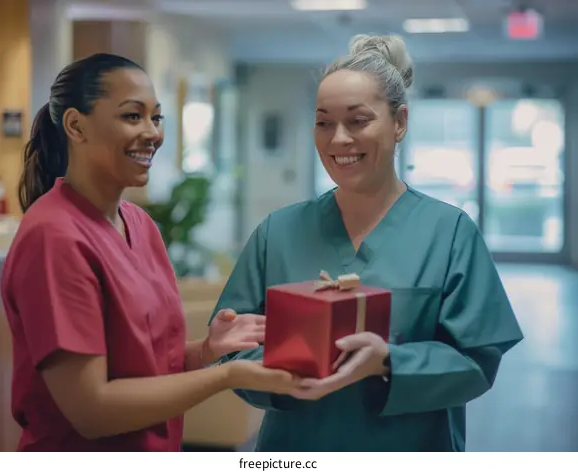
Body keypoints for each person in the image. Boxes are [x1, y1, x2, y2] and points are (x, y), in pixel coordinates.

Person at [208, 34, 524, 452]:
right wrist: (284, 375)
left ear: (400, 122)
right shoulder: (277, 232)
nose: (338, 139)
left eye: (358, 120)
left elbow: (477, 360)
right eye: (323, 122)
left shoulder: (449, 232)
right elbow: (231, 349)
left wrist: (390, 362)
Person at [0, 53, 301, 452]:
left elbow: (148, 367)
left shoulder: (139, 225)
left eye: (156, 118)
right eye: (131, 116)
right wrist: (229, 376)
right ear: (75, 125)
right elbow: (92, 410)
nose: (152, 133)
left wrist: (207, 351)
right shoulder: (53, 237)